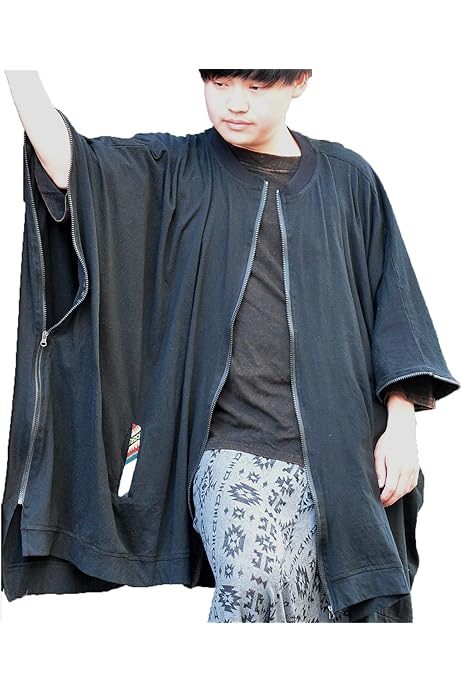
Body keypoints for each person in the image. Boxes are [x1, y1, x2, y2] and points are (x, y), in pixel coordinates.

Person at [2, 70, 459, 622]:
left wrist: (402, 427)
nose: (235, 103)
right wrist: (17, 62)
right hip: (230, 450)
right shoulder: (177, 168)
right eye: (220, 83)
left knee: (338, 609)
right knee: (252, 580)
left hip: (345, 456)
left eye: (257, 87)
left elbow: (395, 310)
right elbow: (70, 165)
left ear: (299, 81)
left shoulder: (349, 180)